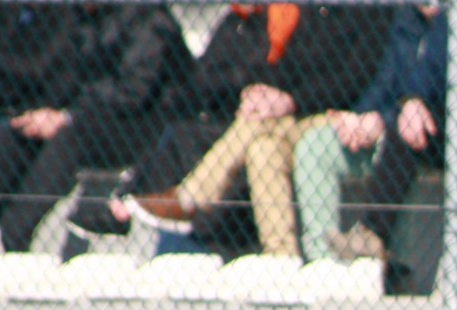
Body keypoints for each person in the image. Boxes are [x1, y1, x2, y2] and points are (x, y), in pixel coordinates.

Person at [0, 5, 195, 260]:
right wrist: (50, 114)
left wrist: (67, 115)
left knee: (71, 135)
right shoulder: (89, 22)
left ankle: (9, 237)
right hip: (96, 116)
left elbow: (133, 93)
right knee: (22, 129)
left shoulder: (148, 19)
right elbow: (71, 81)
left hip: (149, 127)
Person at [127, 4, 396, 259]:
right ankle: (281, 256)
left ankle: (192, 198)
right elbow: (290, 66)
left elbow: (352, 79)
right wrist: (262, 93)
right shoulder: (316, 10)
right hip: (302, 114)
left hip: (342, 118)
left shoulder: (372, 11)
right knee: (262, 148)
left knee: (260, 124)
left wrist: (291, 101)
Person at [295, 4, 446, 267]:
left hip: (431, 133)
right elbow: (385, 82)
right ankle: (324, 261)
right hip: (389, 122)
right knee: (314, 145)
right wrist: (359, 118)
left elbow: (439, 94)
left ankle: (396, 270)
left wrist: (383, 121)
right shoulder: (405, 22)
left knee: (402, 137)